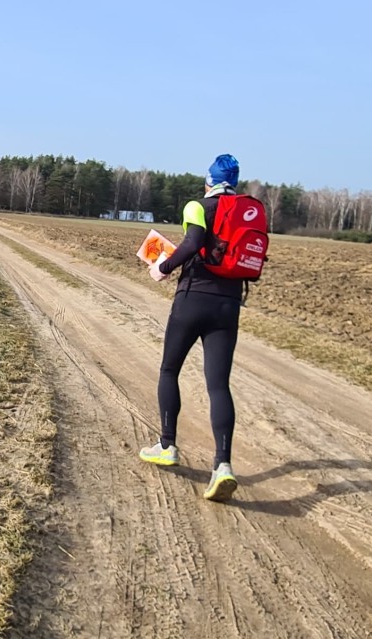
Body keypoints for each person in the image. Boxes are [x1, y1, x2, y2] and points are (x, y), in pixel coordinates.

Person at [140, 154, 243, 502]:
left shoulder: (197, 206)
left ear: (209, 181)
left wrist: (163, 267)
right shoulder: (245, 211)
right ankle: (223, 465)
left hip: (193, 299)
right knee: (218, 385)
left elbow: (194, 241)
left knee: (170, 369)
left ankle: (167, 445)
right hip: (228, 305)